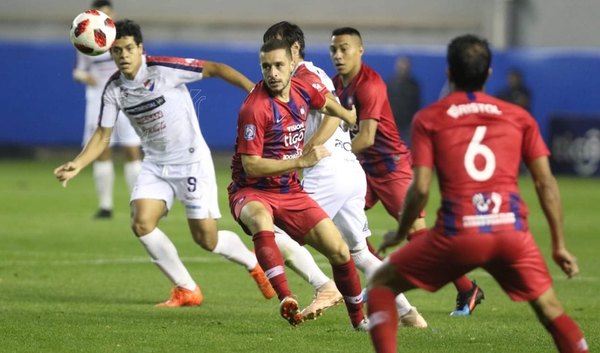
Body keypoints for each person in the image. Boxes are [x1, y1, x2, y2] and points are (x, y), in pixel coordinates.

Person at [368, 34, 588, 353]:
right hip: (510, 232)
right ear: (488, 73)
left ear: (448, 73)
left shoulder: (429, 118)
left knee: (381, 284)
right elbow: (545, 183)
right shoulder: (520, 117)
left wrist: (401, 232)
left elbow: (421, 188)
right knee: (550, 309)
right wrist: (559, 245)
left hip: (458, 234)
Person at [55, 19, 276, 307]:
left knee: (206, 240)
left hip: (191, 161)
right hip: (156, 164)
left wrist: (255, 94)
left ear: (140, 49)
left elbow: (217, 68)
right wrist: (78, 163)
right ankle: (186, 289)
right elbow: (102, 135)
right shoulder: (114, 89)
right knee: (141, 222)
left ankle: (252, 262)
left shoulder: (163, 69)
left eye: (129, 48)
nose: (123, 55)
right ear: (110, 53)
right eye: (117, 50)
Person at [262, 21, 426, 328]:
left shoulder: (304, 76)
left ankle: (324, 286)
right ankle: (408, 313)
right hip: (349, 170)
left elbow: (334, 110)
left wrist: (308, 149)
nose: (272, 59)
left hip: (327, 171)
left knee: (270, 232)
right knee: (360, 253)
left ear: (295, 49)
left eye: (277, 48)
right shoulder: (308, 75)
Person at [329, 27, 483, 316]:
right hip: (362, 168)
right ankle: (379, 276)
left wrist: (330, 156)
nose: (338, 55)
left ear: (360, 50)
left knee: (419, 237)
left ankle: (467, 288)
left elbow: (367, 138)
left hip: (390, 167)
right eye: (334, 50)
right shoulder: (336, 83)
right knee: (343, 226)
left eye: (344, 48)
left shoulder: (370, 84)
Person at [227, 38, 367, 330]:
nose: (273, 73)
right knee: (260, 219)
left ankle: (359, 322)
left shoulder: (304, 87)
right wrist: (301, 161)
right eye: (266, 67)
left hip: (290, 191)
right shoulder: (254, 108)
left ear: (293, 65)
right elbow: (252, 165)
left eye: (279, 66)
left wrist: (346, 115)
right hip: (251, 190)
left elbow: (326, 101)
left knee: (340, 251)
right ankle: (285, 297)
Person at [72, 0, 142, 219]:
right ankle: (105, 206)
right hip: (98, 100)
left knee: (132, 149)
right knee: (101, 149)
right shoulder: (87, 41)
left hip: (126, 97)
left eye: (107, 14)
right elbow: (79, 71)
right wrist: (85, 76)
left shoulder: (122, 39)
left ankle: (137, 203)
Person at [386, 56, 421, 146]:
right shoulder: (390, 84)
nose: (403, 69)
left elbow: (417, 105)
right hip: (393, 122)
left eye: (405, 66)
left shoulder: (413, 85)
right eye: (401, 66)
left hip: (408, 124)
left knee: (407, 147)